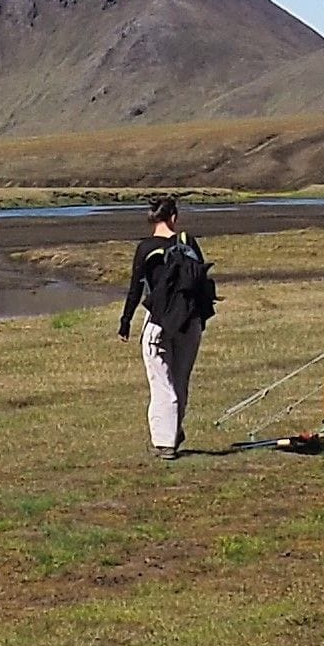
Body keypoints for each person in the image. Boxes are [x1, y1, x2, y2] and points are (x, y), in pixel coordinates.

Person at [118, 197, 212, 461]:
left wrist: (125, 322)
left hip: (159, 322)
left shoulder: (145, 248)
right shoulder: (188, 242)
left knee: (162, 383)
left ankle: (165, 443)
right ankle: (173, 433)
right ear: (174, 217)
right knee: (180, 380)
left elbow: (136, 288)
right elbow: (202, 281)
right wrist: (202, 318)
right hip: (189, 322)